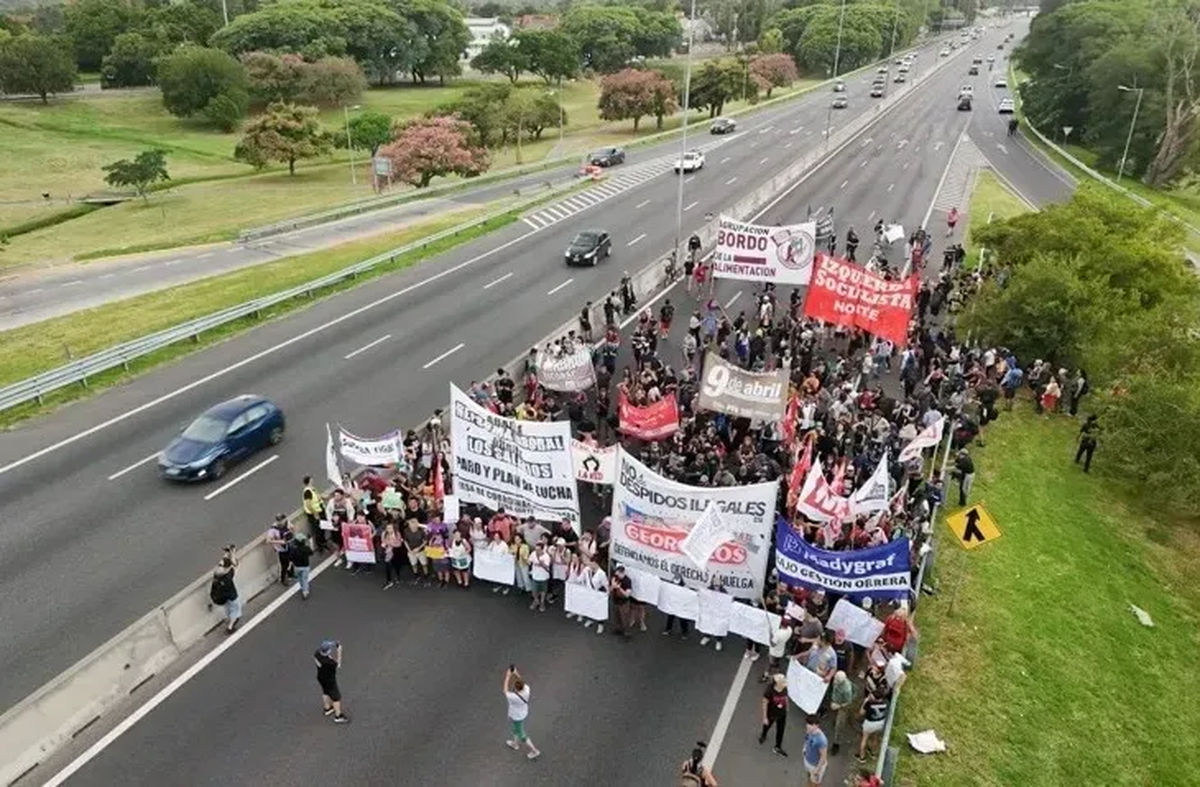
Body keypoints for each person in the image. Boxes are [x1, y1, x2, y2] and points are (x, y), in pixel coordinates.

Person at [503, 666, 541, 760]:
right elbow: (521, 681)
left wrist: (508, 676)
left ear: (516, 689)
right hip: (523, 713)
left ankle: (535, 751)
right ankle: (515, 744)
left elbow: (505, 690)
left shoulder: (513, 697)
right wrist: (515, 673)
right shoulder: (527, 689)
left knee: (522, 735)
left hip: (517, 716)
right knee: (516, 728)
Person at [314, 640, 350, 724]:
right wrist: (339, 651)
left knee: (325, 691)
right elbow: (338, 664)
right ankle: (338, 716)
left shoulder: (317, 654)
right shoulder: (329, 663)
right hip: (330, 680)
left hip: (320, 677)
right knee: (336, 697)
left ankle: (327, 708)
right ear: (328, 651)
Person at [758, 673, 790, 757]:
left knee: (781, 730)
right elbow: (765, 703)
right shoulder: (769, 691)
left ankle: (778, 747)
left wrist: (787, 707)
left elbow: (786, 697)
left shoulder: (784, 688)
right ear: (777, 683)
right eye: (783, 682)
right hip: (771, 713)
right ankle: (763, 734)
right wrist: (765, 717)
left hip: (782, 713)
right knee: (767, 725)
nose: (784, 684)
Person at [209, 549, 240, 634]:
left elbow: (224, 564)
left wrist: (227, 553)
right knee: (235, 612)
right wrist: (232, 553)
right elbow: (234, 564)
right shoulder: (228, 576)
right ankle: (230, 627)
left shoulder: (217, 574)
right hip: (231, 596)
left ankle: (229, 619)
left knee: (228, 609)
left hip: (221, 597)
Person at [828, 670, 856, 755]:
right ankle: (835, 721)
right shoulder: (836, 680)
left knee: (839, 725)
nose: (835, 681)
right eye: (835, 678)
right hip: (835, 701)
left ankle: (836, 743)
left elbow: (848, 702)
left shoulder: (847, 689)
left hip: (842, 706)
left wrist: (838, 706)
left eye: (837, 680)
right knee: (834, 717)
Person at [266, 514, 293, 585]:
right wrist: (279, 542)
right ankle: (283, 579)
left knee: (291, 560)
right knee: (284, 565)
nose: (282, 522)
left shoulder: (287, 523)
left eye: (282, 520)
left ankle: (291, 574)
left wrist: (291, 530)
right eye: (279, 521)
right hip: (281, 549)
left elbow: (292, 527)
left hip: (289, 545)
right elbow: (268, 540)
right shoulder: (273, 529)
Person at [803, 714, 828, 786]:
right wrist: (804, 748)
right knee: (809, 777)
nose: (808, 726)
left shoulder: (821, 740)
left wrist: (817, 769)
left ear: (817, 725)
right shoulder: (809, 731)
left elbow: (823, 757)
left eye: (811, 724)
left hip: (815, 765)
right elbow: (807, 739)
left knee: (815, 783)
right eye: (807, 723)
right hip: (808, 761)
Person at [289, 533, 314, 599]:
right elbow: (312, 552)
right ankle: (305, 591)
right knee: (305, 579)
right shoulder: (306, 548)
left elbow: (291, 559)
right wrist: (311, 541)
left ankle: (303, 587)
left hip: (297, 567)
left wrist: (289, 567)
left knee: (299, 578)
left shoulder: (293, 550)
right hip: (306, 566)